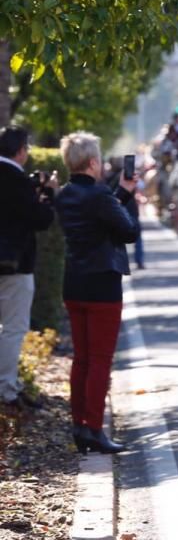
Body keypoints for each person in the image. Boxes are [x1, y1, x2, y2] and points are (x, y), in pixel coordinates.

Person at [55, 132, 140, 454]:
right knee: (101, 360)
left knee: (82, 359)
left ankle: (80, 425)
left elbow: (100, 217)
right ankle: (93, 428)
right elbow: (127, 230)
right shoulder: (101, 196)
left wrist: (121, 195)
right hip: (103, 284)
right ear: (92, 162)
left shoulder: (64, 195)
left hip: (74, 281)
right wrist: (126, 198)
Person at [0, 125, 57, 413]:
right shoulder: (16, 180)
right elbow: (41, 219)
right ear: (21, 151)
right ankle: (7, 389)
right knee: (13, 328)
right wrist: (48, 196)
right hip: (14, 266)